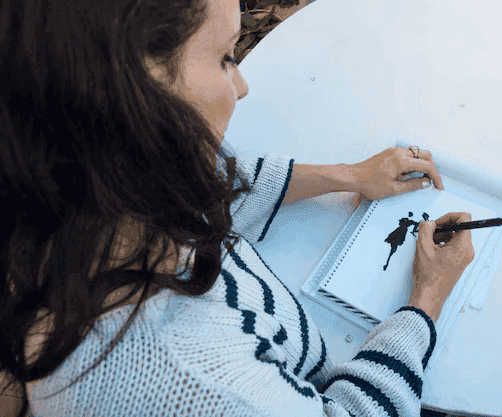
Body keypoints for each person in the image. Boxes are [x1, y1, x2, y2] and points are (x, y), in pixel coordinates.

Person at [0, 0, 474, 415]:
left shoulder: (79, 192)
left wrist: (350, 176)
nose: (242, 85)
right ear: (132, 101)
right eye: (227, 57)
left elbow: (210, 189)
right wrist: (426, 301)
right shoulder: (192, 382)